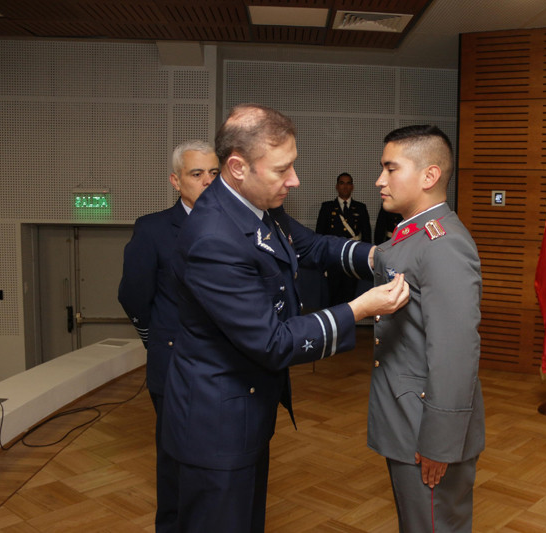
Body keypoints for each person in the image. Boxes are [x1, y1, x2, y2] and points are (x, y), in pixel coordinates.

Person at [162, 104, 409, 532]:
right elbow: (272, 341)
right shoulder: (213, 238)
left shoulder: (252, 203)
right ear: (237, 168)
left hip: (244, 408)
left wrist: (376, 256)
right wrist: (360, 309)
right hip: (216, 424)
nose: (294, 180)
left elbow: (311, 246)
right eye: (282, 169)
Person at [369, 125, 485, 533]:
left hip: (426, 430)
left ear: (429, 176)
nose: (380, 180)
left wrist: (440, 442)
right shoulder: (416, 233)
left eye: (390, 168)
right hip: (407, 420)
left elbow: (455, 352)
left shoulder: (443, 243)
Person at [118, 139, 219, 533]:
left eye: (214, 173)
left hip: (227, 368)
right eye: (197, 174)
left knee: (221, 459)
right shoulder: (153, 228)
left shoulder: (241, 223)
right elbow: (134, 295)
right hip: (175, 365)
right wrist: (156, 338)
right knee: (175, 461)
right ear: (176, 181)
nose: (208, 181)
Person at [315, 172, 372, 305]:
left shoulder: (360, 208)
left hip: (352, 259)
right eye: (342, 183)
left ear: (352, 187)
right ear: (337, 186)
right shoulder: (327, 207)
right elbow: (319, 235)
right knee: (333, 296)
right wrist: (322, 261)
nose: (345, 186)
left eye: (348, 183)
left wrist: (364, 260)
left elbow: (367, 236)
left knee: (350, 296)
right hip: (333, 258)